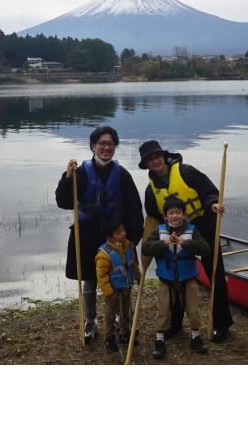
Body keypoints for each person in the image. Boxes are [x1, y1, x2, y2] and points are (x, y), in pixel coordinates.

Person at [138, 139, 234, 343]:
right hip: (175, 233)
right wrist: (151, 245)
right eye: (149, 160)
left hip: (203, 226)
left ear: (163, 156)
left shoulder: (186, 172)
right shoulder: (150, 191)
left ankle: (222, 323)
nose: (155, 161)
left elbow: (209, 192)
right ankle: (174, 324)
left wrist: (213, 205)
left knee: (215, 273)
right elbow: (154, 218)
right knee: (176, 276)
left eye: (157, 156)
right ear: (146, 164)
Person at [55, 126, 143, 343]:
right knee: (91, 281)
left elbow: (134, 208)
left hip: (115, 238)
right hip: (87, 235)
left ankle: (121, 321)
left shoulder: (122, 175)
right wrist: (67, 178)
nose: (106, 148)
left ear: (115, 147)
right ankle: (90, 321)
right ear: (92, 146)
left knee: (121, 279)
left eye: (110, 144)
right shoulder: (80, 173)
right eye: (102, 144)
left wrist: (132, 239)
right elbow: (64, 202)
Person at [142, 196, 210, 359]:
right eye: (171, 213)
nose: (174, 216)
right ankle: (159, 341)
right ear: (165, 216)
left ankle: (195, 337)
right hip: (166, 279)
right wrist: (163, 243)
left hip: (188, 278)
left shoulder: (192, 230)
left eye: (178, 212)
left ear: (184, 214)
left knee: (193, 310)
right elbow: (146, 248)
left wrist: (184, 243)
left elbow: (205, 249)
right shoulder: (159, 231)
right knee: (163, 310)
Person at [95, 217, 141, 353]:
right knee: (110, 314)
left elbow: (133, 265)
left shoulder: (128, 246)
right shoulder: (104, 254)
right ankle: (109, 338)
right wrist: (109, 292)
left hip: (126, 287)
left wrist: (139, 277)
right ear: (110, 236)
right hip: (112, 291)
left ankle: (125, 333)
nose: (123, 234)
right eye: (118, 233)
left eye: (123, 231)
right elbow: (101, 276)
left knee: (125, 311)